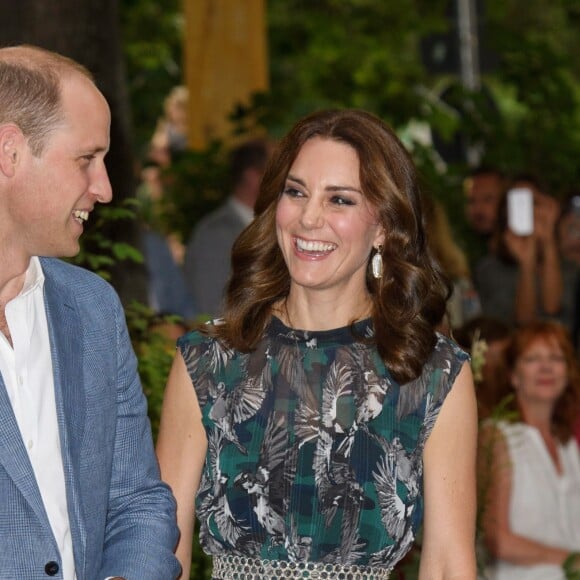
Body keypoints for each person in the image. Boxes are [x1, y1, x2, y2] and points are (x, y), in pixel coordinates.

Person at [157, 109, 478, 578]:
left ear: (384, 226)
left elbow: (450, 564)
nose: (309, 218)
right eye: (296, 192)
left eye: (340, 200)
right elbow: (166, 549)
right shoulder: (209, 361)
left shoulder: (431, 372)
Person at [0, 46, 180, 579]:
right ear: (9, 152)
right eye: (86, 159)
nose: (103, 188)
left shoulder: (93, 308)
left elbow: (138, 502)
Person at [479, 321, 580, 579]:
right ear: (513, 375)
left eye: (556, 358)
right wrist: (570, 560)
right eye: (532, 359)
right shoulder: (498, 435)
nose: (546, 367)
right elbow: (497, 539)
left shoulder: (566, 442)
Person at [476, 177, 578, 330]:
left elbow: (552, 309)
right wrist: (527, 263)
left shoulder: (568, 266)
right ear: (506, 211)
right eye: (519, 203)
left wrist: (548, 239)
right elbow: (524, 323)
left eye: (534, 203)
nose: (528, 210)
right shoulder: (490, 269)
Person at [183, 138, 270, 317]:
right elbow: (211, 311)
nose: (286, 179)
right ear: (254, 176)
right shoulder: (214, 235)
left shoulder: (274, 228)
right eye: (279, 171)